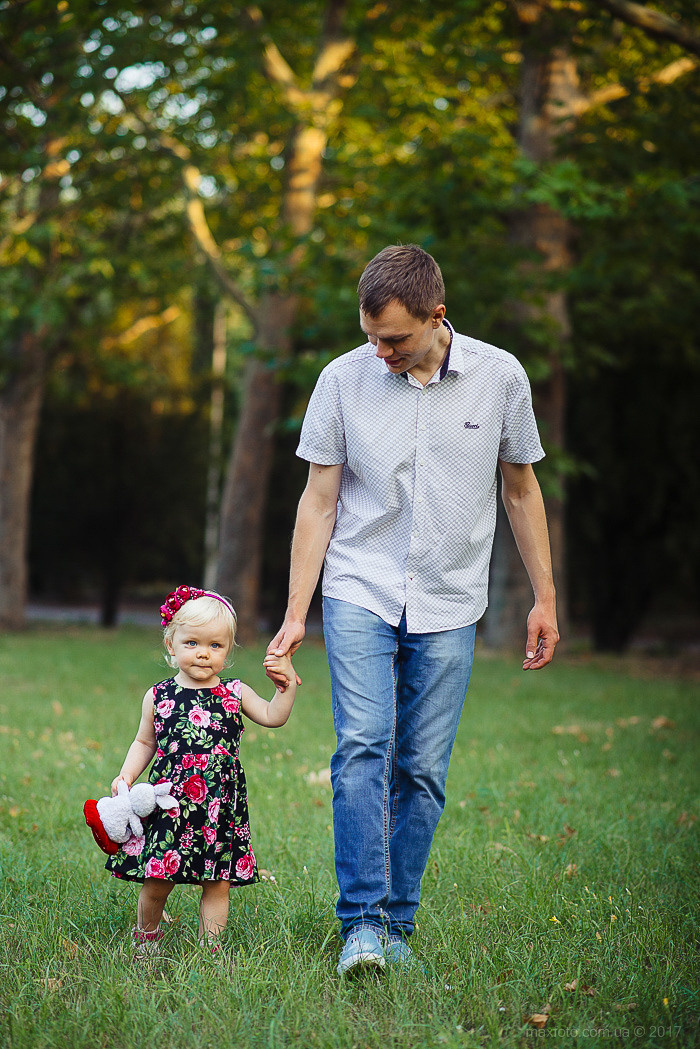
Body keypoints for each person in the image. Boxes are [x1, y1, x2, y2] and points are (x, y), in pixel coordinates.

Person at [267, 244, 559, 975]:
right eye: (371, 336)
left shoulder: (500, 378)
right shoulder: (343, 379)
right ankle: (361, 923)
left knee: (423, 767)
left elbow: (521, 491)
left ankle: (400, 923)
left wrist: (545, 598)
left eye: (394, 339)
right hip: (359, 586)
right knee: (362, 745)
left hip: (452, 596)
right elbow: (319, 499)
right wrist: (297, 611)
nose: (381, 352)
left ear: (438, 315)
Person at [105, 584, 297, 955]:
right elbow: (144, 742)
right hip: (170, 804)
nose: (203, 654)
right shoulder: (158, 696)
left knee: (217, 882)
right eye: (192, 643)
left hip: (218, 806)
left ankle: (210, 951)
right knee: (158, 877)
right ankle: (146, 937)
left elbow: (274, 717)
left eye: (215, 646)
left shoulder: (235, 693)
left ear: (228, 650)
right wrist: (127, 774)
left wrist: (284, 687)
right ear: (171, 644)